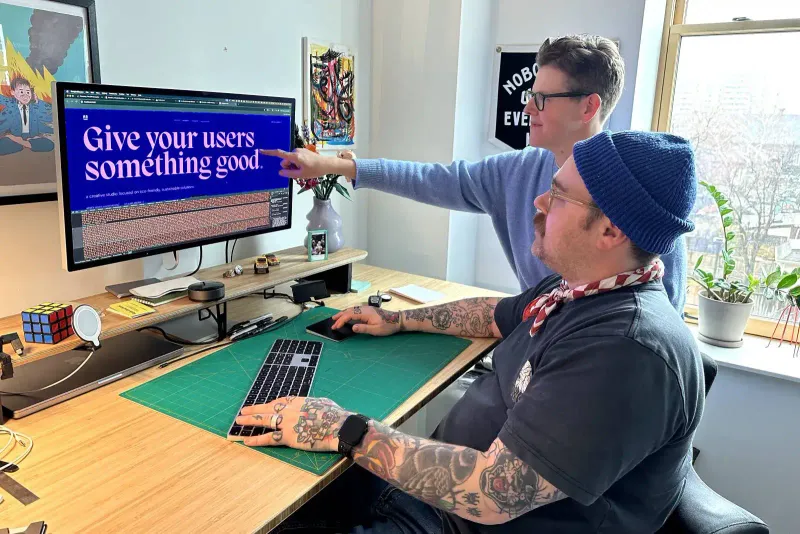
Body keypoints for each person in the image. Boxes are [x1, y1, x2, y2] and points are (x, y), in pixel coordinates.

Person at [237, 130, 704, 533]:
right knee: (256, 501)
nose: (539, 202)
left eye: (558, 196)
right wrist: (399, 319)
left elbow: (493, 493)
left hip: (463, 523)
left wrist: (347, 430)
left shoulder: (623, 350)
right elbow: (494, 313)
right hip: (432, 495)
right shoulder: (577, 289)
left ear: (610, 230)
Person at [261, 34, 689, 313]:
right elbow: (432, 179)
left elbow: (661, 322)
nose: (527, 108)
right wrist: (332, 164)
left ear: (589, 107)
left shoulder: (640, 192)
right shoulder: (517, 171)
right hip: (539, 348)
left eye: (542, 99)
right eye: (529, 95)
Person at [0, 77, 54, 155]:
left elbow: (49, 110)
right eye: (21, 92)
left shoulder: (34, 105)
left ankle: (23, 143)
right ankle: (24, 143)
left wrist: (37, 102)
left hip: (31, 137)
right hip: (14, 136)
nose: (25, 95)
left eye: (28, 92)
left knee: (49, 145)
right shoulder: (10, 103)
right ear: (13, 92)